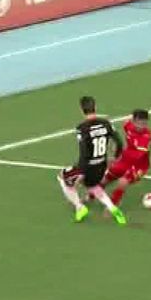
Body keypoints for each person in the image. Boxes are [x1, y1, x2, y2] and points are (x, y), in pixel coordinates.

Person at [58, 96, 127, 224]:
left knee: (62, 177)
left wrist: (81, 172)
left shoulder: (82, 128)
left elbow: (84, 151)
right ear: (95, 107)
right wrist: (115, 157)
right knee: (92, 185)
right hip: (101, 165)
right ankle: (113, 208)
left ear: (81, 109)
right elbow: (119, 142)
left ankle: (79, 207)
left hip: (87, 166)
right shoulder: (106, 123)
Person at [93, 109, 151, 206]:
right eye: (139, 123)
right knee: (104, 180)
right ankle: (90, 197)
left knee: (123, 181)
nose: (141, 126)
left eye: (144, 124)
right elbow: (126, 121)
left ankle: (112, 206)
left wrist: (114, 160)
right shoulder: (129, 126)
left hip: (138, 166)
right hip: (125, 161)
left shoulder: (146, 137)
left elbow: (139, 156)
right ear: (133, 121)